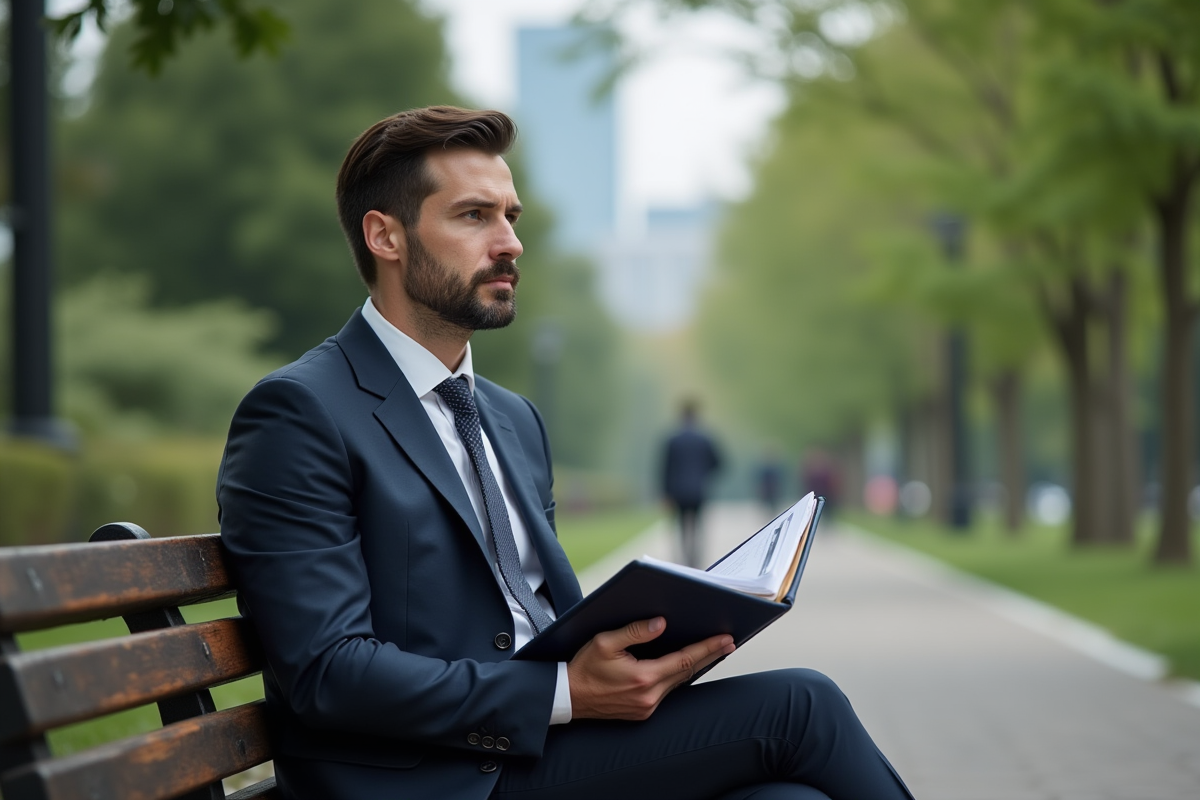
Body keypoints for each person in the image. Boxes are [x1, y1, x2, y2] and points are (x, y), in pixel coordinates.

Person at [217, 106, 915, 800]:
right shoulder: (300, 414)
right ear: (385, 236)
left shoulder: (512, 419)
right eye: (473, 216)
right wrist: (564, 691)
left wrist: (645, 654)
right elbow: (327, 673)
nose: (510, 242)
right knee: (801, 706)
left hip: (544, 753)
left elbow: (539, 618)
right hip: (431, 780)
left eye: (510, 216)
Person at [660, 400, 724, 568]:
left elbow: (665, 468)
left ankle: (685, 559)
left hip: (678, 491)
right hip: (698, 490)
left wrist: (665, 493)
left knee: (682, 526)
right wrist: (704, 475)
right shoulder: (704, 439)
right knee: (697, 525)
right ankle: (695, 560)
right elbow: (718, 463)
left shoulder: (673, 440)